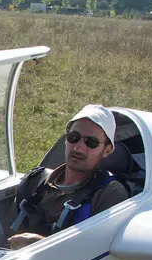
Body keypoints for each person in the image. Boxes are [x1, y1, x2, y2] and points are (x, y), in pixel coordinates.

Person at [7, 104, 129, 249]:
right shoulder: (35, 181)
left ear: (107, 150)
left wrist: (41, 246)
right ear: (66, 139)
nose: (78, 148)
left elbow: (97, 255)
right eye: (73, 137)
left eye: (91, 142)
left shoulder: (110, 195)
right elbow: (6, 233)